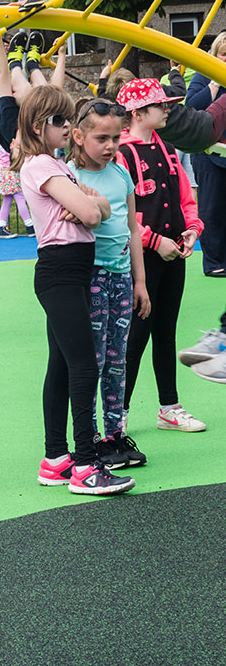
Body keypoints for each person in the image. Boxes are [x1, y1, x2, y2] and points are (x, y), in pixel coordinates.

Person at [15, 85, 135, 496]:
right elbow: (90, 213)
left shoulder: (56, 165)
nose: (68, 127)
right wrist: (91, 206)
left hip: (73, 271)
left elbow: (95, 209)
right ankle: (85, 464)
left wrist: (93, 203)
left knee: (64, 365)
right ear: (38, 125)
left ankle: (56, 459)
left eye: (69, 119)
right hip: (61, 271)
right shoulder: (39, 166)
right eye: (60, 121)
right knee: (84, 365)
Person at [115, 78, 206, 432]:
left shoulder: (168, 148)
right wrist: (155, 242)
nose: (167, 109)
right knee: (136, 335)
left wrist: (192, 230)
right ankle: (117, 412)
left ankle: (169, 406)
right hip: (143, 259)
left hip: (174, 255)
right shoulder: (122, 154)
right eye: (159, 105)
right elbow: (125, 215)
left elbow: (186, 197)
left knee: (166, 331)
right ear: (138, 113)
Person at [67, 97, 150, 470]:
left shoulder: (120, 174)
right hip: (91, 277)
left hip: (120, 277)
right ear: (79, 136)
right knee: (95, 360)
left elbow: (132, 228)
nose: (111, 146)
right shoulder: (70, 177)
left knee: (119, 360)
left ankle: (115, 434)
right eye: (102, 138)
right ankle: (92, 437)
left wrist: (140, 281)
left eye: (116, 137)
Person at [186, 31, 226, 277]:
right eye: (224, 55)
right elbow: (191, 107)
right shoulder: (204, 76)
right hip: (208, 152)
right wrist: (214, 83)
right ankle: (214, 262)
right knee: (212, 208)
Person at [0, 33, 66, 156]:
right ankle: (32, 65)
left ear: (12, 143)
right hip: (34, 108)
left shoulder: (8, 123)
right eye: (31, 146)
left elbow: (3, 75)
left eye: (23, 147)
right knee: (45, 97)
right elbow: (56, 94)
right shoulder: (41, 133)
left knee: (25, 91)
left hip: (17, 100)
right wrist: (62, 54)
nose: (28, 142)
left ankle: (15, 63)